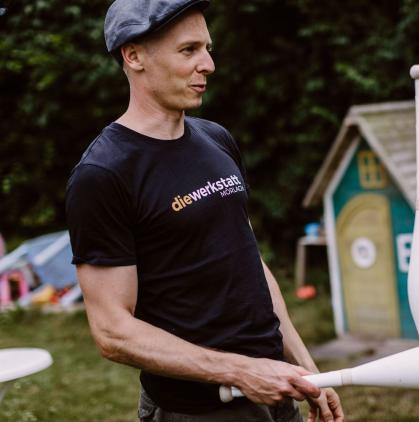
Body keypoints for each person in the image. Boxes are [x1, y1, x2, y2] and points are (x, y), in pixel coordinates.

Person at [65, 1, 344, 421]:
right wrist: (241, 371)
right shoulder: (104, 175)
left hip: (275, 393)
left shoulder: (216, 139)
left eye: (207, 48)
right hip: (197, 411)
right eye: (188, 50)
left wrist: (308, 371)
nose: (209, 65)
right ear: (134, 55)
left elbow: (249, 262)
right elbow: (112, 331)